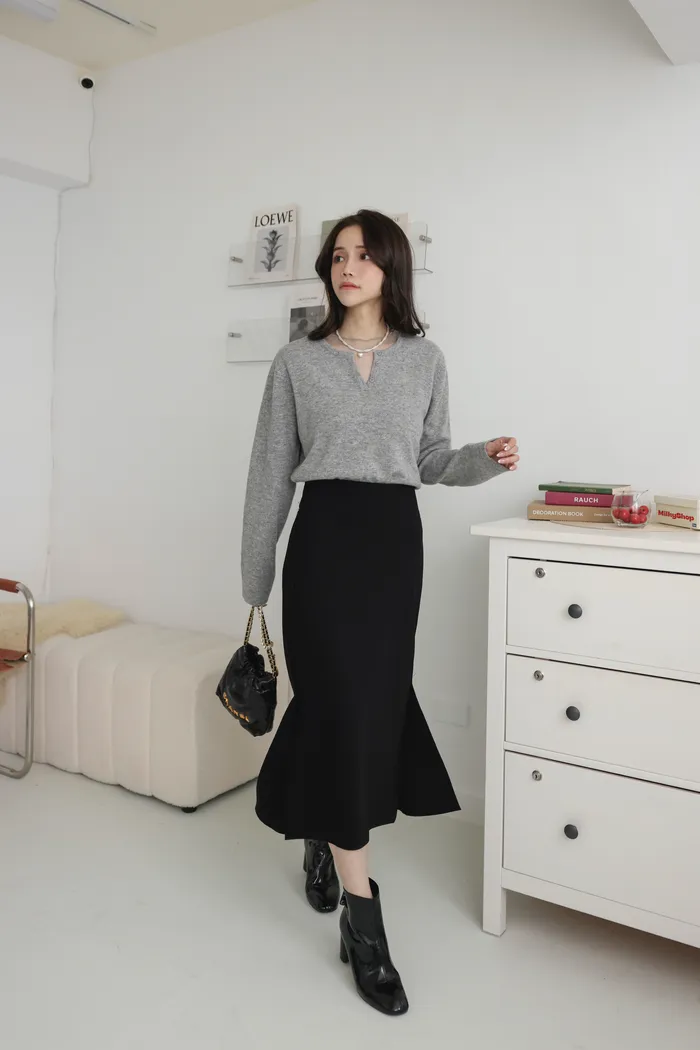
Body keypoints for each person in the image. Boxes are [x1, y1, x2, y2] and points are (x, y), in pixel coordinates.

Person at [241, 209, 519, 1016]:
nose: (347, 266)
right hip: (324, 544)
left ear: (392, 267)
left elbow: (430, 459)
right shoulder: (297, 362)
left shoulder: (425, 360)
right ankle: (364, 923)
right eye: (337, 256)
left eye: (363, 255)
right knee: (336, 704)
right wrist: (256, 581)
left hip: (394, 548)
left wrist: (480, 460)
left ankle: (320, 837)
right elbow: (269, 472)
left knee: (364, 710)